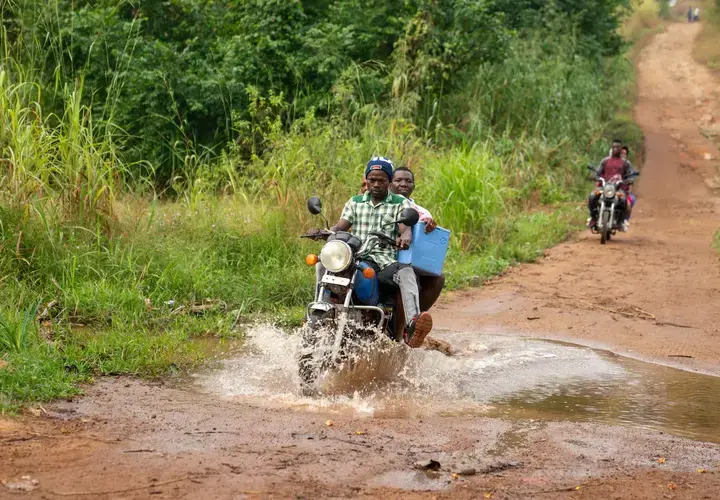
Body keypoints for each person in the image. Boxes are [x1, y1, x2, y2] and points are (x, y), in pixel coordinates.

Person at [325, 157, 433, 347]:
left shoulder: (400, 203)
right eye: (372, 180)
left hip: (384, 263)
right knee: (322, 263)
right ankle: (320, 311)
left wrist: (405, 236)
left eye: (381, 180)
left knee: (406, 271)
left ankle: (412, 326)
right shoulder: (355, 202)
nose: (376, 184)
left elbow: (405, 227)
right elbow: (341, 226)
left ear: (389, 182)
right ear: (366, 180)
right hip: (355, 260)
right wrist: (325, 231)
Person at [389, 166, 445, 313]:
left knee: (438, 278)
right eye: (398, 180)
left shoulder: (422, 212)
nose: (403, 184)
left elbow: (428, 243)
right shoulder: (386, 205)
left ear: (414, 186)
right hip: (388, 257)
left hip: (413, 260)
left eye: (408, 181)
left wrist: (430, 226)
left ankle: (415, 322)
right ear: (389, 184)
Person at [588, 140, 637, 232]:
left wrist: (629, 180)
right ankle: (593, 218)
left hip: (619, 189)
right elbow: (598, 172)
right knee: (592, 196)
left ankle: (620, 221)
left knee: (624, 202)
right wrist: (595, 177)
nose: (615, 149)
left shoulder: (625, 163)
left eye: (617, 147)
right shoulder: (605, 161)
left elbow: (630, 174)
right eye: (613, 147)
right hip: (604, 187)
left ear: (620, 149)